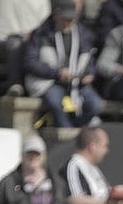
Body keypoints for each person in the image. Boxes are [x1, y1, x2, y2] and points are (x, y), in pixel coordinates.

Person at [24, 0, 103, 128]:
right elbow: (30, 62)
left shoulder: (83, 34)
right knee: (56, 102)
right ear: (56, 16)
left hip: (77, 83)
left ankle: (76, 128)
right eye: (65, 18)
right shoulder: (41, 33)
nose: (69, 22)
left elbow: (90, 58)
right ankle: (67, 132)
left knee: (96, 104)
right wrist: (57, 73)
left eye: (72, 19)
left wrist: (89, 73)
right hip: (49, 82)